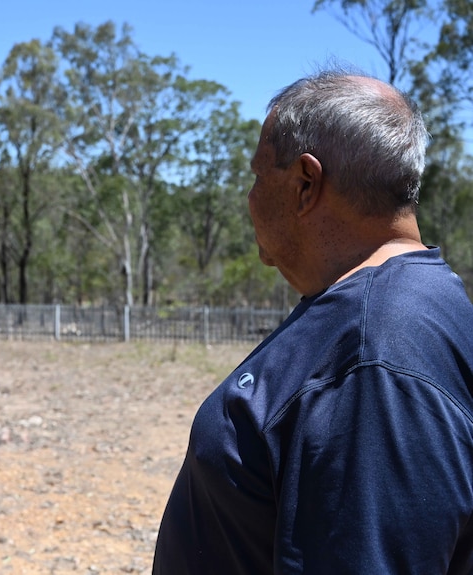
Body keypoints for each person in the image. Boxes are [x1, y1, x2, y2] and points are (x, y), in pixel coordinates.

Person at [152, 68, 473, 574]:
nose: (250, 196)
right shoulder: (410, 304)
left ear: (305, 183)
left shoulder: (374, 352)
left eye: (259, 175)